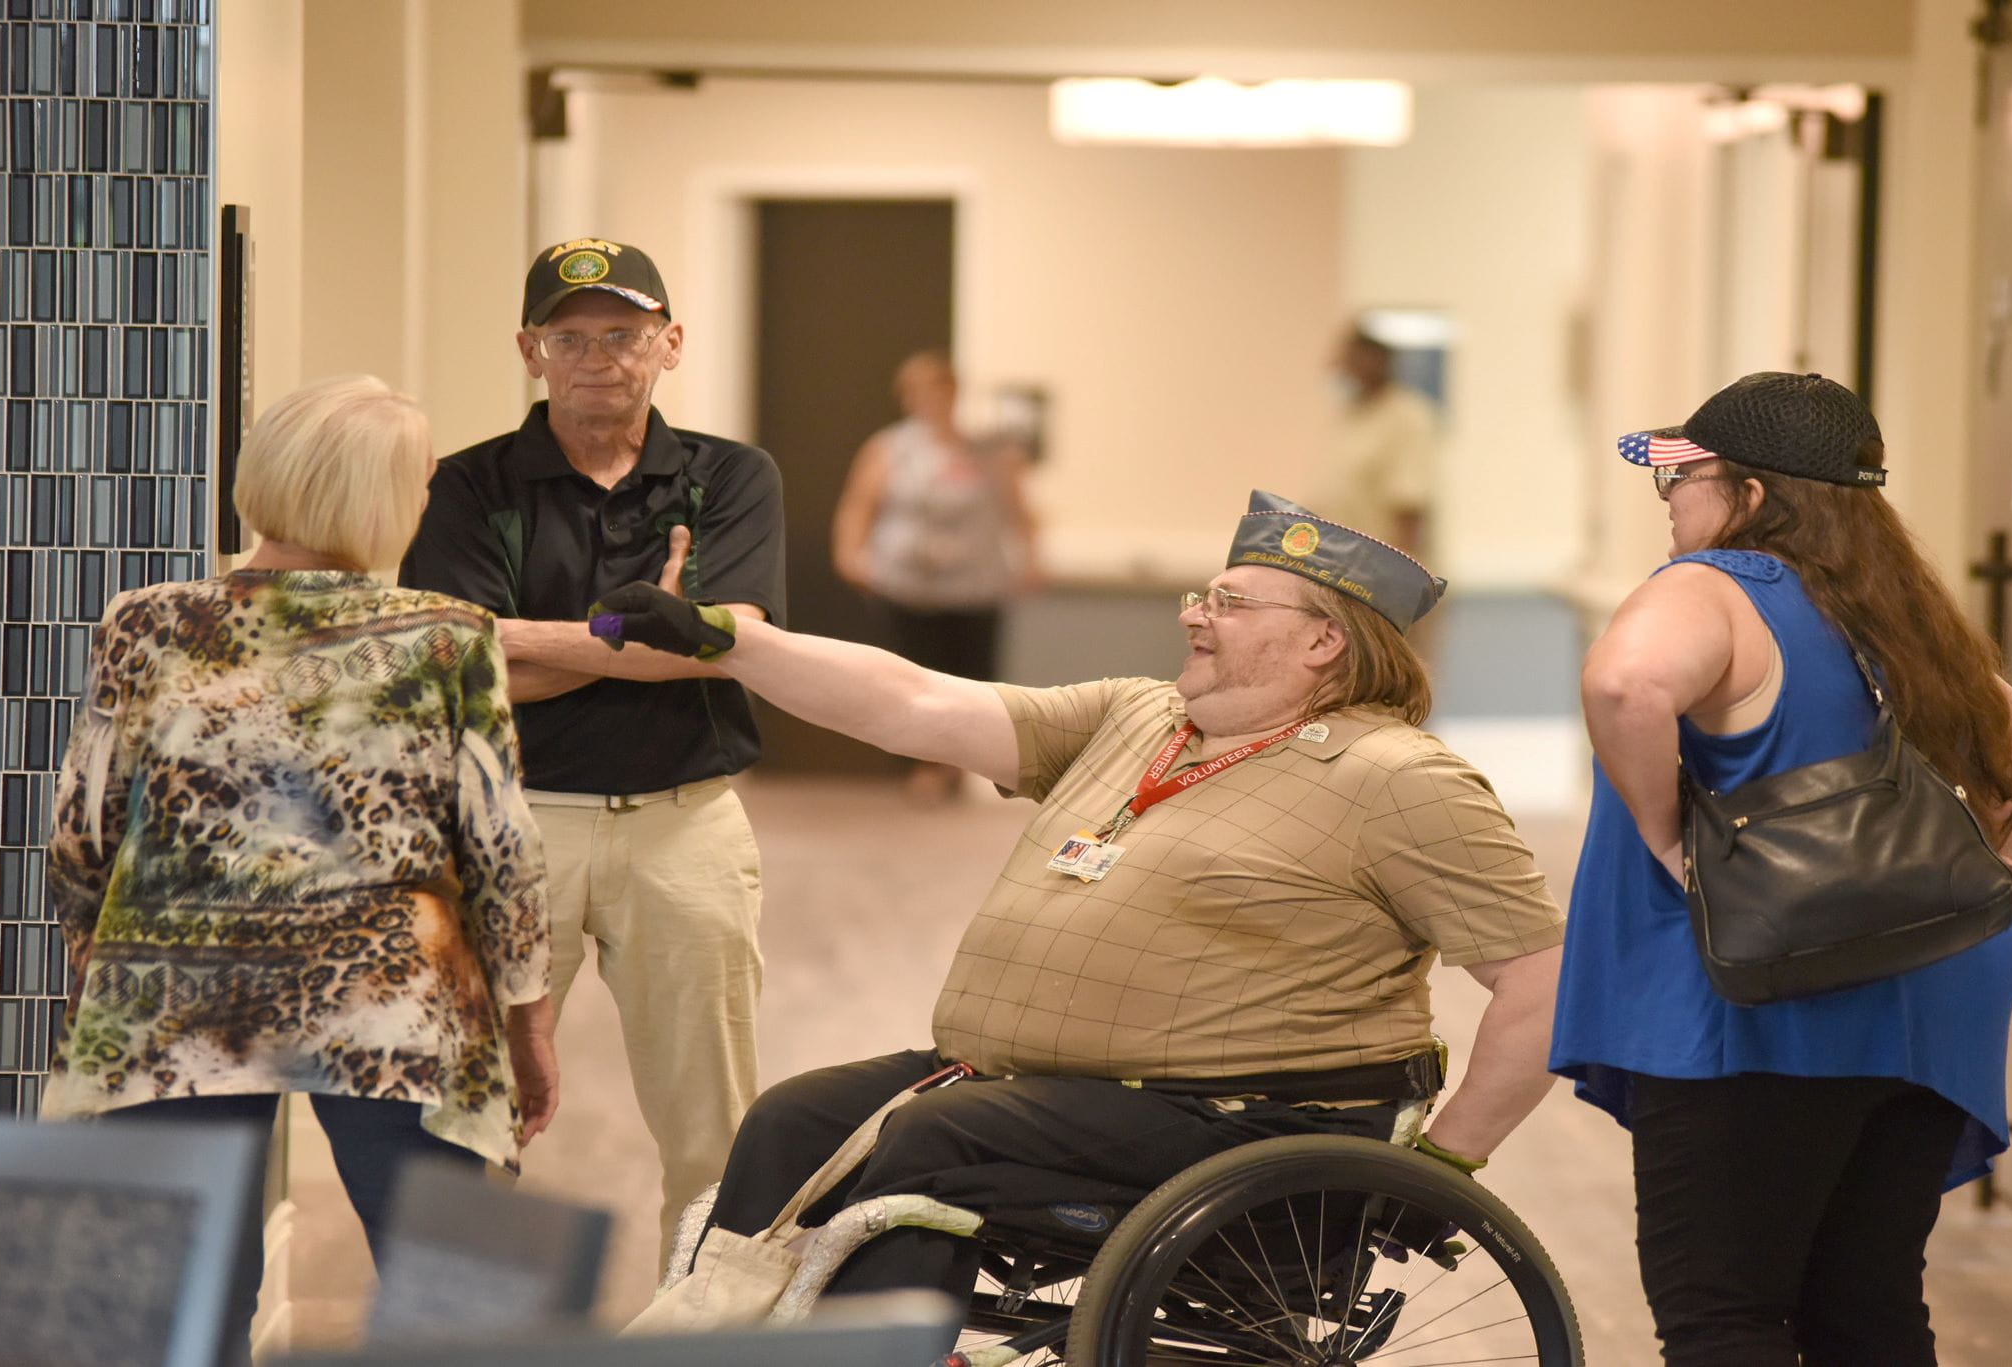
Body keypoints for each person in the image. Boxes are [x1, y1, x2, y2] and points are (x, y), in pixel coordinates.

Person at [594, 489, 1564, 1316]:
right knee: (794, 1115)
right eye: (1201, 593)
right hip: (1031, 1080)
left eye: (1228, 601)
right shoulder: (1141, 715)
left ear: (1321, 639)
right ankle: (715, 1335)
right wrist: (730, 642)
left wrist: (1445, 1166)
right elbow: (917, 702)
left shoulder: (1397, 776)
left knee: (930, 1139)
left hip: (1237, 1115)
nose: (1194, 614)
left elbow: (1539, 973)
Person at [43, 375, 556, 1357]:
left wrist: (89, 949)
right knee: (453, 1286)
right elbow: (502, 850)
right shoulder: (446, 636)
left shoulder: (146, 620)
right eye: (414, 485)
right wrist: (528, 1014)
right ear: (375, 497)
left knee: (181, 1296)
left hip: (179, 988)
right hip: (394, 998)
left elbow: (83, 818)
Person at [1547, 372, 2012, 1366]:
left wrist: (1666, 831)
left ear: (1748, 496)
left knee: (1721, 1311)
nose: (1670, 502)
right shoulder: (1906, 616)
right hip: (1933, 994)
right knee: (1864, 1310)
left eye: (1680, 479)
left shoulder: (1716, 583)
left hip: (1764, 998)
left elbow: (1624, 679)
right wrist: (2008, 861)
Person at [397, 238, 786, 1273]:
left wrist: (529, 634)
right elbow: (459, 664)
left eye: (622, 333)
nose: (596, 356)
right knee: (471, 1110)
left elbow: (728, 641)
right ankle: (460, 1337)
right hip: (512, 825)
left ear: (669, 343)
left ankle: (698, 1332)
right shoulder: (467, 486)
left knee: (712, 1128)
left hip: (687, 823)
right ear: (530, 350)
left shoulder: (730, 478)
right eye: (568, 337)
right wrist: (640, 634)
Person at [831, 350, 1041, 801]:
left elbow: (1020, 510)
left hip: (975, 587)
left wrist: (1032, 558)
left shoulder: (989, 451)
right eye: (921, 392)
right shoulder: (888, 449)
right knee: (911, 675)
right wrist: (850, 554)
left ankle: (962, 765)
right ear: (906, 398)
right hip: (907, 586)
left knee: (972, 679)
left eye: (941, 391)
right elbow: (858, 506)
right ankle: (923, 766)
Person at [1312, 326, 1437, 559]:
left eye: (1347, 362)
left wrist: (1401, 579)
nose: (1338, 369)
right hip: (1345, 565)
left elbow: (1410, 504)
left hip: (1384, 572)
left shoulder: (1408, 417)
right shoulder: (1353, 416)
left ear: (1375, 362)